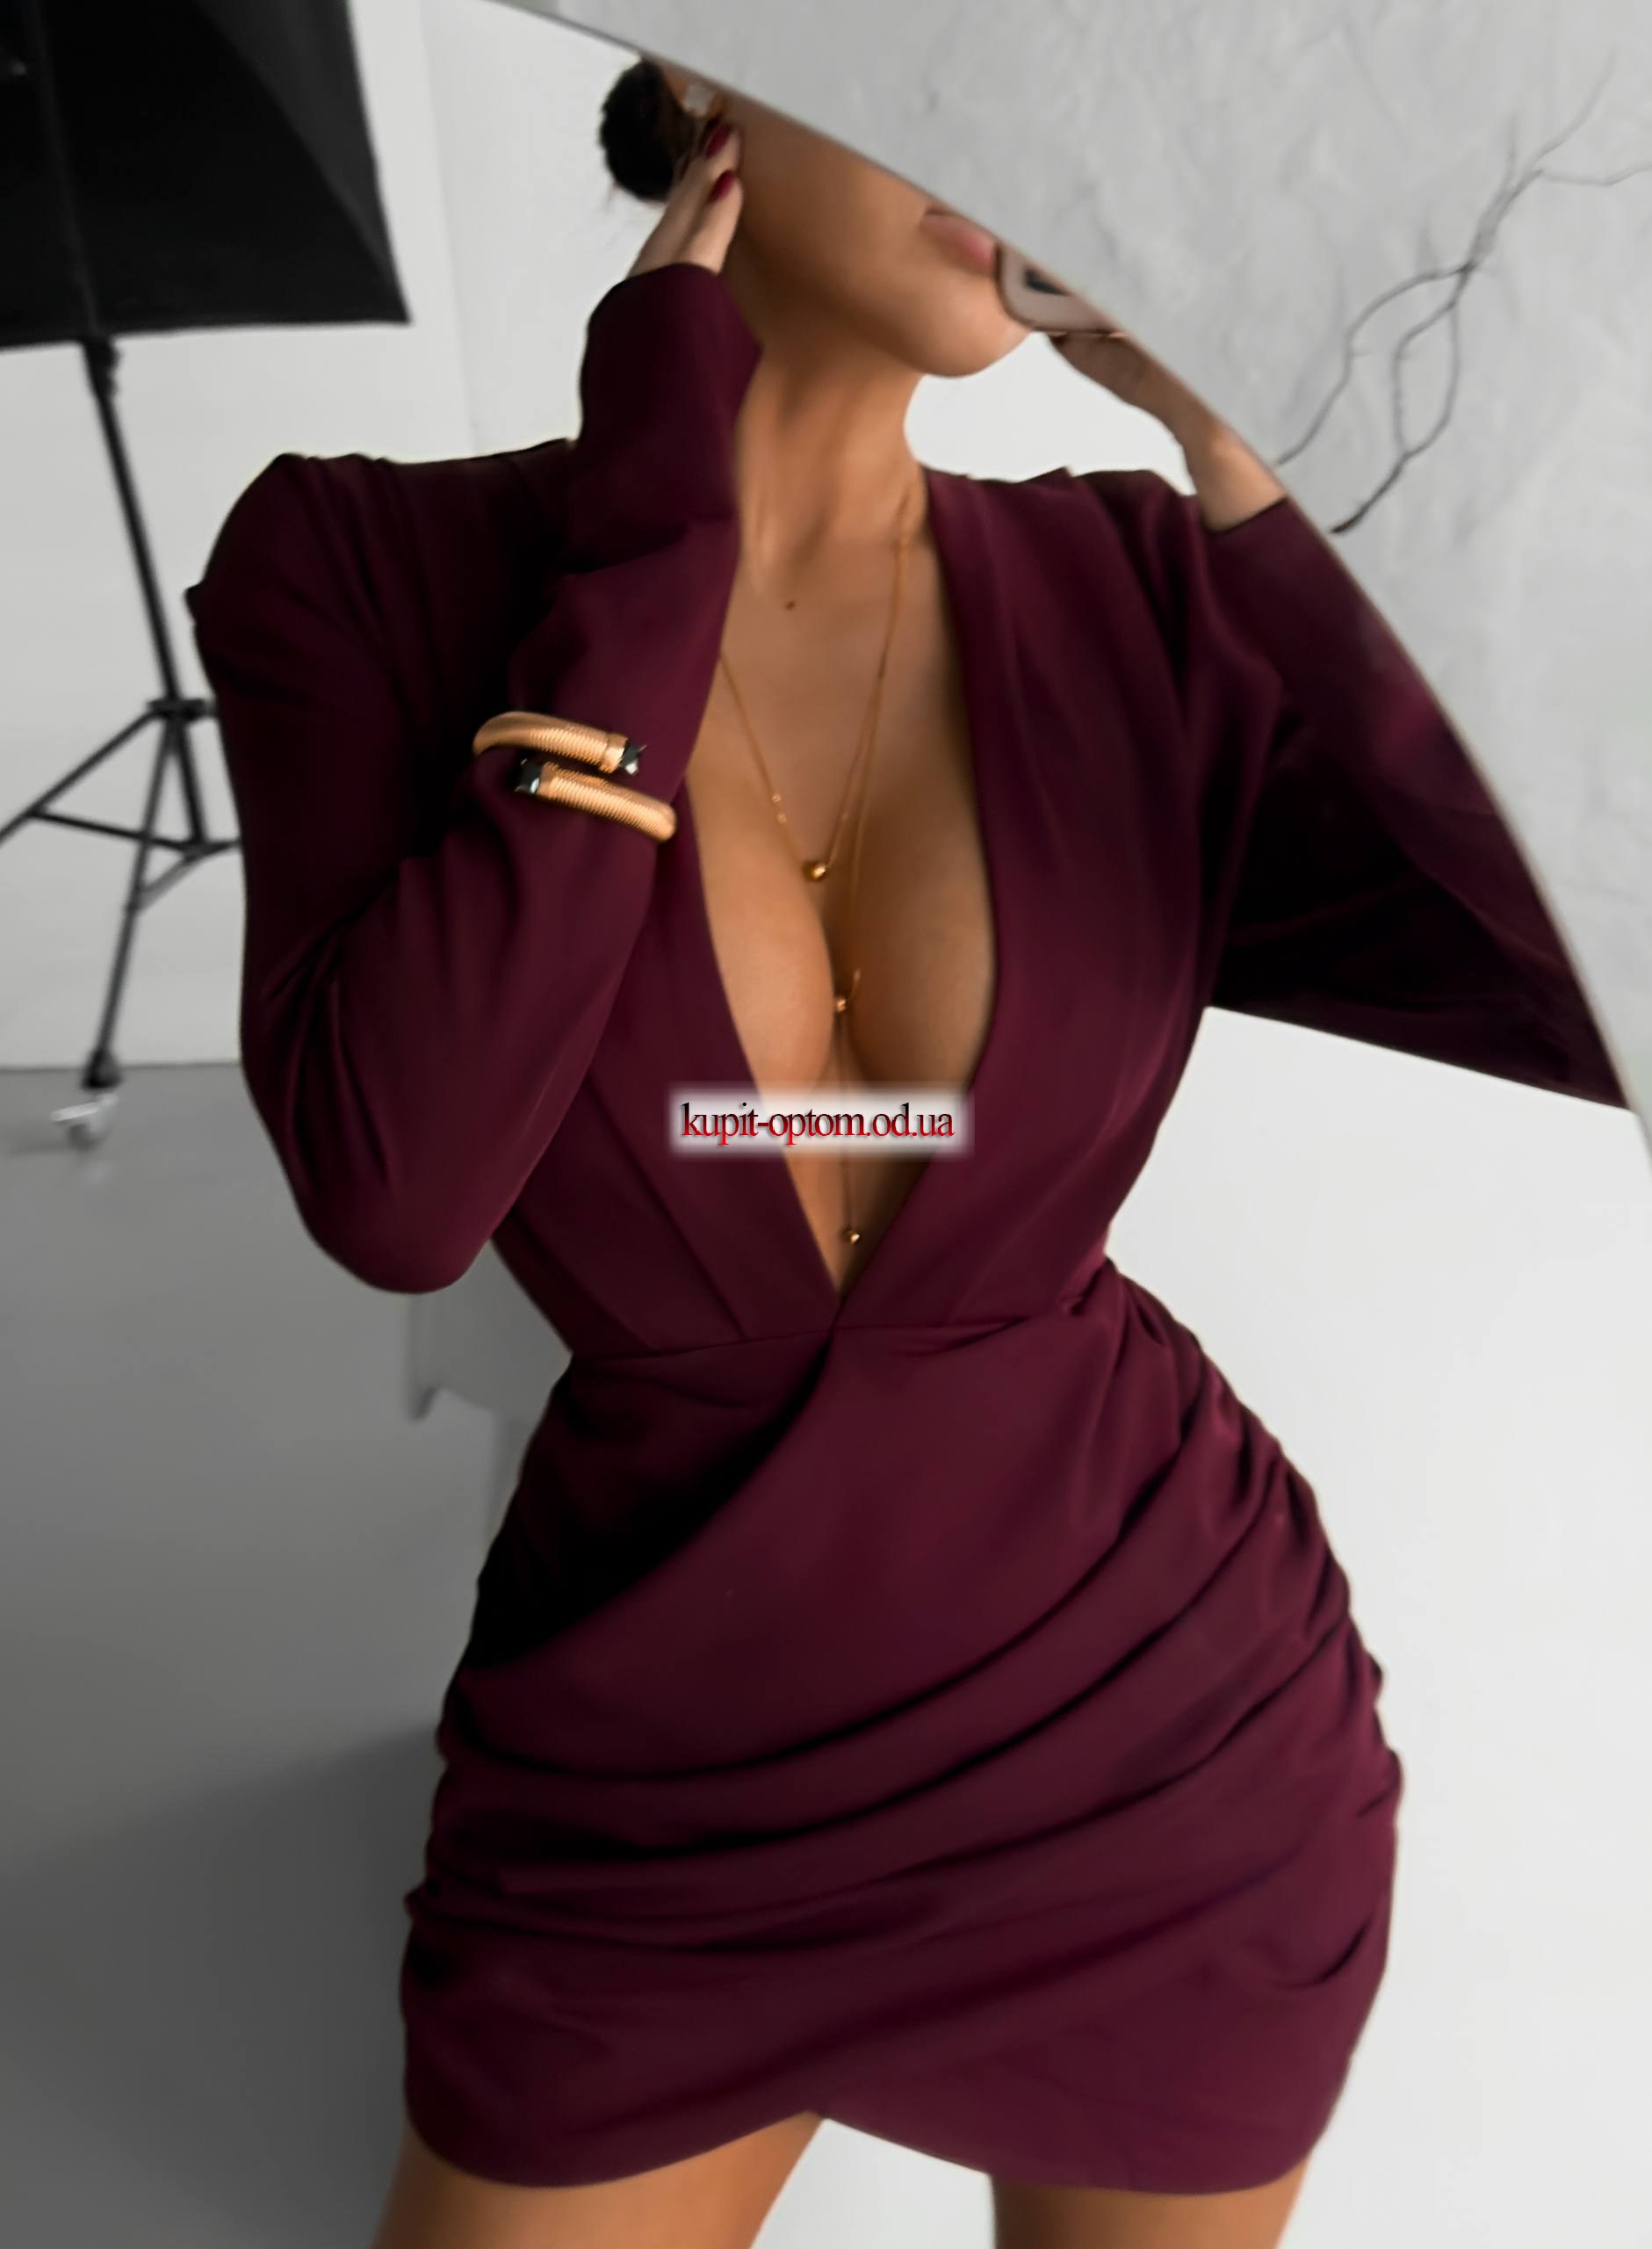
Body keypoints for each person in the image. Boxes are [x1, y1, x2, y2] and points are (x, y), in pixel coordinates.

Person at [184, 54, 1627, 2249]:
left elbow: (1588, 988)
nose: (1025, 139)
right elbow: (402, 1183)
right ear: (708, 66)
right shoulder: (356, 561)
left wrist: (1256, 475)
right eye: (952, 58)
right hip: (648, 1812)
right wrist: (653, 521)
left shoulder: (1145, 593)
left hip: (1164, 1763)